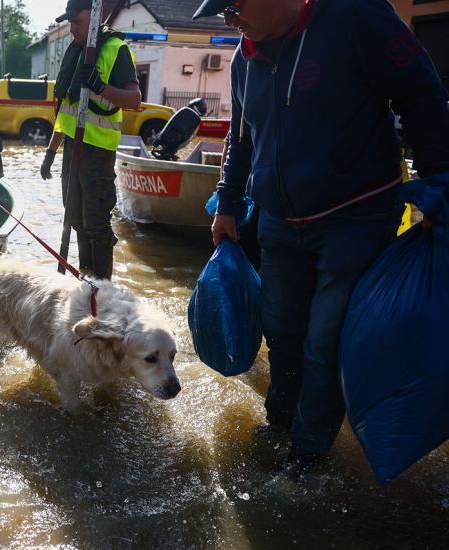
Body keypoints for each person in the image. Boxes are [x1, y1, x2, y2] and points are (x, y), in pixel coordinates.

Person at [193, 0, 449, 474]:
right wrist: (227, 202)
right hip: (277, 221)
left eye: (234, 5)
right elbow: (240, 135)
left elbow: (422, 94)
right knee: (281, 331)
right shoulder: (242, 57)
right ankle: (281, 423)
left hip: (355, 217)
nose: (227, 18)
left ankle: (307, 456)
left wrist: (437, 186)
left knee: (324, 341)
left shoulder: (355, 15)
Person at [39, 0, 140, 279]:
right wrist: (51, 153)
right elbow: (67, 114)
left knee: (96, 225)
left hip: (98, 153)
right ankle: (85, 280)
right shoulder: (77, 52)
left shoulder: (114, 50)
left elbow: (134, 100)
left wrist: (100, 86)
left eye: (77, 22)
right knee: (75, 220)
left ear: (94, 17)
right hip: (73, 149)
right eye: (69, 23)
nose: (72, 29)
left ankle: (103, 292)